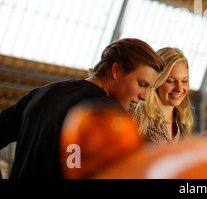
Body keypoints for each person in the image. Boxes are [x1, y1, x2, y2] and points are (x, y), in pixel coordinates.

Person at [0, 38, 164, 179]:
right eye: (141, 84)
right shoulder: (106, 113)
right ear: (116, 70)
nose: (144, 96)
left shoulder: (43, 92)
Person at [131, 47, 194, 144]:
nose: (179, 89)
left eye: (185, 81)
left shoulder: (182, 122)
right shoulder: (137, 117)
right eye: (171, 81)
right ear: (156, 81)